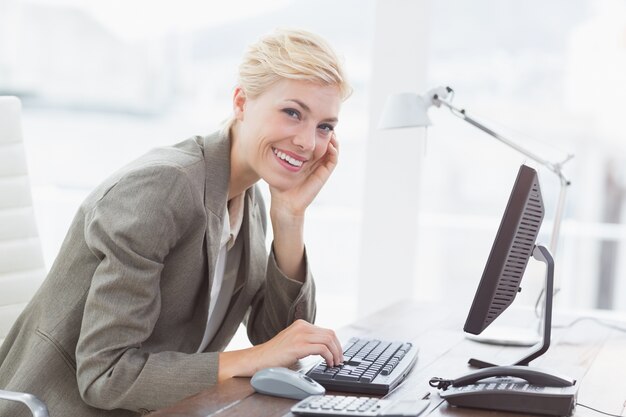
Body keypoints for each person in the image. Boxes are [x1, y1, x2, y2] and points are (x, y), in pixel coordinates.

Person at [0, 28, 352, 417]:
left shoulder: (247, 199)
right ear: (241, 102)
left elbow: (283, 345)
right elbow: (107, 376)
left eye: (325, 126)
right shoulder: (163, 187)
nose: (307, 142)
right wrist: (253, 358)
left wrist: (289, 218)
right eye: (292, 112)